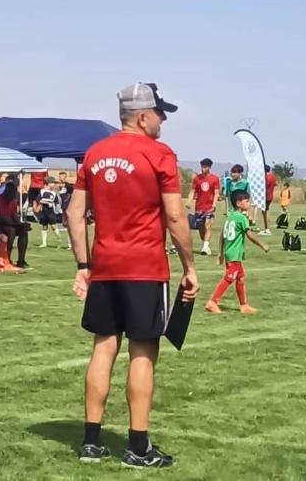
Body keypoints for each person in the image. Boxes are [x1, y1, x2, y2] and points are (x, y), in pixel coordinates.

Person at [67, 82, 198, 468]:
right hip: (144, 267)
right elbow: (175, 215)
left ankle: (91, 442)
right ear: (143, 116)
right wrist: (190, 267)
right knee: (143, 352)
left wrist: (82, 266)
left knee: (103, 347)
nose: (163, 121)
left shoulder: (94, 153)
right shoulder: (159, 154)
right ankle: (137, 446)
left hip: (105, 266)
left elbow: (75, 213)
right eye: (160, 114)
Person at [205, 190, 269, 315]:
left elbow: (222, 236)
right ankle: (212, 302)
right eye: (247, 201)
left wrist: (220, 253)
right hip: (234, 254)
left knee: (240, 278)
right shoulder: (241, 218)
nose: (249, 203)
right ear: (239, 203)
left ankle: (244, 305)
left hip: (230, 253)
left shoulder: (230, 217)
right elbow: (249, 235)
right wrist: (263, 245)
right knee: (229, 278)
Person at [189, 157, 221, 256]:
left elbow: (216, 193)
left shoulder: (215, 179)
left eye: (205, 167)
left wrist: (214, 204)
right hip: (199, 207)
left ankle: (205, 247)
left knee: (208, 225)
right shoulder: (197, 178)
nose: (203, 168)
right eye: (202, 166)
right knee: (201, 227)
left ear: (209, 167)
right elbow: (193, 191)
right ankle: (206, 245)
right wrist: (189, 201)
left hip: (209, 207)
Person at [0, 180, 30, 269]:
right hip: (1, 225)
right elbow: (1, 216)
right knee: (12, 231)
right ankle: (7, 258)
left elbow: (14, 215)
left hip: (11, 223)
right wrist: (14, 223)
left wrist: (21, 223)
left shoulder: (13, 201)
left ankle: (21, 260)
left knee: (24, 231)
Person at [36, 180, 63, 248]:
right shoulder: (42, 191)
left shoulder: (53, 193)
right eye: (52, 183)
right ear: (47, 184)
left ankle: (59, 238)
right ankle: (44, 243)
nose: (53, 184)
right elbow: (38, 200)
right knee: (44, 226)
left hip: (51, 212)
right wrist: (46, 203)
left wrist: (57, 210)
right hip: (44, 212)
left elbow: (56, 202)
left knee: (53, 226)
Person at [261, 165, 277, 235]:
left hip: (266, 196)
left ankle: (267, 229)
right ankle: (266, 228)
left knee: (265, 212)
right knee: (265, 211)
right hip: (269, 196)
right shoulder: (273, 176)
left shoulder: (267, 177)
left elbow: (265, 185)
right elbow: (275, 184)